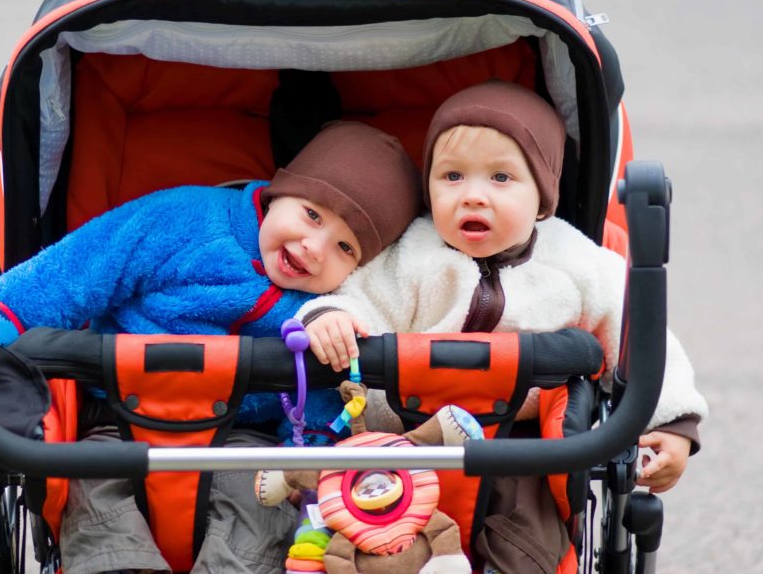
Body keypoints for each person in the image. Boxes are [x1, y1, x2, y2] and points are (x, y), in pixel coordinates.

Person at [297, 80, 709, 572]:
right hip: (404, 443)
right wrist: (329, 319)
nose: (473, 196)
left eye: (500, 178)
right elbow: (355, 298)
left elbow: (637, 331)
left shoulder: (576, 260)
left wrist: (670, 422)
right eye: (451, 177)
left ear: (541, 199)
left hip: (524, 444)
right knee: (369, 543)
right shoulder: (411, 255)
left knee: (528, 548)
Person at [0, 120, 422, 574]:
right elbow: (80, 268)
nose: (314, 248)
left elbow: (322, 390)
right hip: (116, 413)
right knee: (90, 486)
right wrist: (2, 322)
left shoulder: (325, 306)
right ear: (277, 192)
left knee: (261, 507)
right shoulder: (187, 220)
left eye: (345, 247)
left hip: (241, 435)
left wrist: (312, 453)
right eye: (312, 215)